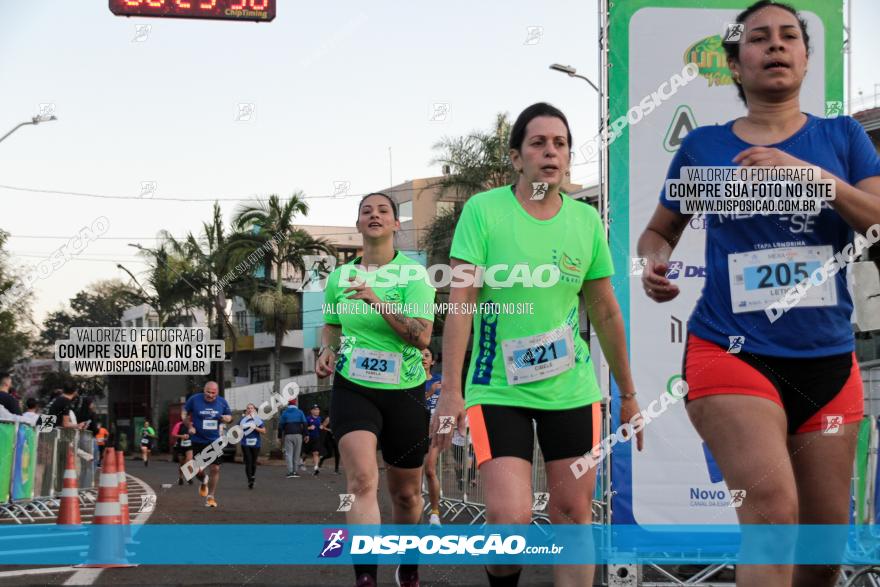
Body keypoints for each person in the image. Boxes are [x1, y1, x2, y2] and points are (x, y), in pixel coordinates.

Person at [637, 3, 880, 585]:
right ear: (736, 64)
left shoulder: (841, 136)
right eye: (759, 39)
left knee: (822, 553)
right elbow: (659, 231)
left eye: (789, 36)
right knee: (772, 514)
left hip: (827, 361)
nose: (775, 46)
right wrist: (655, 263)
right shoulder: (703, 148)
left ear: (804, 56)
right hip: (730, 350)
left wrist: (814, 178)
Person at [432, 102, 644, 587]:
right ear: (516, 157)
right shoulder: (484, 212)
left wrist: (628, 395)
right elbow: (461, 301)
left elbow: (606, 311)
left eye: (560, 143)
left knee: (573, 516)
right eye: (538, 143)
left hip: (571, 389)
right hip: (496, 387)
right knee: (510, 521)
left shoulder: (585, 222)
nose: (551, 152)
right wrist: (450, 389)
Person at [317, 192, 436, 587]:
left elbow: (420, 337)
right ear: (358, 225)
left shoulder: (414, 275)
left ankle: (409, 561)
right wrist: (326, 350)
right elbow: (332, 326)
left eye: (383, 210)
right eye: (366, 211)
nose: (374, 215)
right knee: (362, 482)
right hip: (354, 387)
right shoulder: (338, 277)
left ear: (396, 224)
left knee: (406, 495)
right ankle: (366, 576)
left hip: (405, 390)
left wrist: (376, 298)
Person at [182, 381, 232, 508]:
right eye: (208, 392)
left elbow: (229, 417)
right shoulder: (194, 399)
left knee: (215, 468)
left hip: (215, 440)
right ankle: (204, 480)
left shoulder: (222, 402)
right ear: (204, 390)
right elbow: (184, 413)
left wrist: (227, 419)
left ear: (217, 392)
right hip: (198, 439)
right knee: (196, 470)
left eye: (213, 393)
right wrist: (189, 425)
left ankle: (211, 496)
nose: (210, 395)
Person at [421, 348, 443, 526]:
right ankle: (415, 502)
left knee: (429, 469)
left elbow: (448, 404)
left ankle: (435, 513)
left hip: (434, 431)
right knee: (413, 474)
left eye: (427, 355)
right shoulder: (411, 381)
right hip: (414, 429)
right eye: (420, 356)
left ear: (433, 361)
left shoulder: (439, 380)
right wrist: (429, 393)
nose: (423, 358)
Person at [278, 397, 307, 478]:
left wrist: (279, 436)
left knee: (289, 454)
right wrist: (306, 434)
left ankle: (290, 472)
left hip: (288, 435)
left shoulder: (285, 412)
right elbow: (305, 424)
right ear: (295, 404)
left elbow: (280, 426)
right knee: (297, 454)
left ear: (288, 404)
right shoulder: (300, 412)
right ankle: (295, 472)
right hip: (298, 435)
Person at [240, 403, 266, 489]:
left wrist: (255, 428)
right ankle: (250, 480)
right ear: (246, 410)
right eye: (248, 408)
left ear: (254, 410)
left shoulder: (257, 420)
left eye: (252, 408)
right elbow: (236, 431)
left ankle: (253, 476)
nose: (250, 409)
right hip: (245, 443)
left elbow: (263, 431)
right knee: (248, 461)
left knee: (253, 462)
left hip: (256, 444)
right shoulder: (242, 420)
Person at [172, 418, 194, 485]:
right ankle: (181, 477)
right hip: (180, 446)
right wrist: (182, 436)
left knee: (189, 462)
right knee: (182, 463)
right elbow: (173, 434)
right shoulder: (179, 425)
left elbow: (197, 432)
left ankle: (189, 477)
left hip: (190, 446)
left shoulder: (192, 425)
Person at [305, 404, 323, 476]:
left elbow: (320, 426)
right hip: (308, 438)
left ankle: (316, 468)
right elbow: (303, 428)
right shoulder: (307, 418)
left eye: (318, 409)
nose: (317, 411)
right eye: (315, 409)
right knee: (305, 454)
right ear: (311, 411)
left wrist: (321, 427)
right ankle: (302, 461)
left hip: (316, 438)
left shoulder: (319, 418)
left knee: (316, 453)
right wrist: (309, 428)